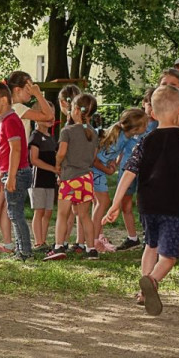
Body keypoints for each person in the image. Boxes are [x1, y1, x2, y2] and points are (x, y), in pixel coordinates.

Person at [105, 85, 179, 315]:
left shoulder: (144, 141)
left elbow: (128, 172)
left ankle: (143, 293)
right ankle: (151, 281)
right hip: (173, 205)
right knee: (169, 256)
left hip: (147, 204)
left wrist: (115, 203)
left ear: (152, 113)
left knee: (150, 246)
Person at [45, 93, 99, 260]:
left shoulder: (67, 131)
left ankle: (59, 246)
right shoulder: (94, 133)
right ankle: (91, 249)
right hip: (86, 179)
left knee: (62, 214)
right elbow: (94, 156)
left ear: (75, 110)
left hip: (69, 178)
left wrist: (58, 165)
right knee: (84, 216)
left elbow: (61, 153)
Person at [0, 83, 32, 260]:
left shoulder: (10, 120)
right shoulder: (5, 120)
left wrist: (10, 176)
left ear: (4, 100)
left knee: (15, 214)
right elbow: (5, 152)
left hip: (17, 173)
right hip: (10, 172)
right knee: (13, 212)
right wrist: (2, 174)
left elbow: (15, 150)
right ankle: (21, 249)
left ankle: (24, 251)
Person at [92, 108, 149, 252]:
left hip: (98, 171)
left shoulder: (124, 136)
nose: (147, 127)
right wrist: (109, 170)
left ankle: (96, 236)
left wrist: (113, 163)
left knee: (98, 203)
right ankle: (95, 239)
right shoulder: (119, 139)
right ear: (136, 129)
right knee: (103, 203)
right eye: (145, 125)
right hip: (95, 171)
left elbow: (112, 156)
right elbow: (95, 161)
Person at [27, 117, 58, 251]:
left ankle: (43, 241)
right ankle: (38, 242)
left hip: (50, 179)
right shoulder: (35, 136)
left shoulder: (52, 138)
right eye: (45, 115)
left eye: (52, 115)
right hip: (38, 178)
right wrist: (52, 168)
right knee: (39, 210)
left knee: (48, 211)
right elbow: (33, 159)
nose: (50, 118)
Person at [5, 70, 55, 138]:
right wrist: (38, 93)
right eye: (28, 88)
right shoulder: (18, 108)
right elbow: (49, 116)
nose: (31, 92)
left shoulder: (12, 108)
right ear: (18, 90)